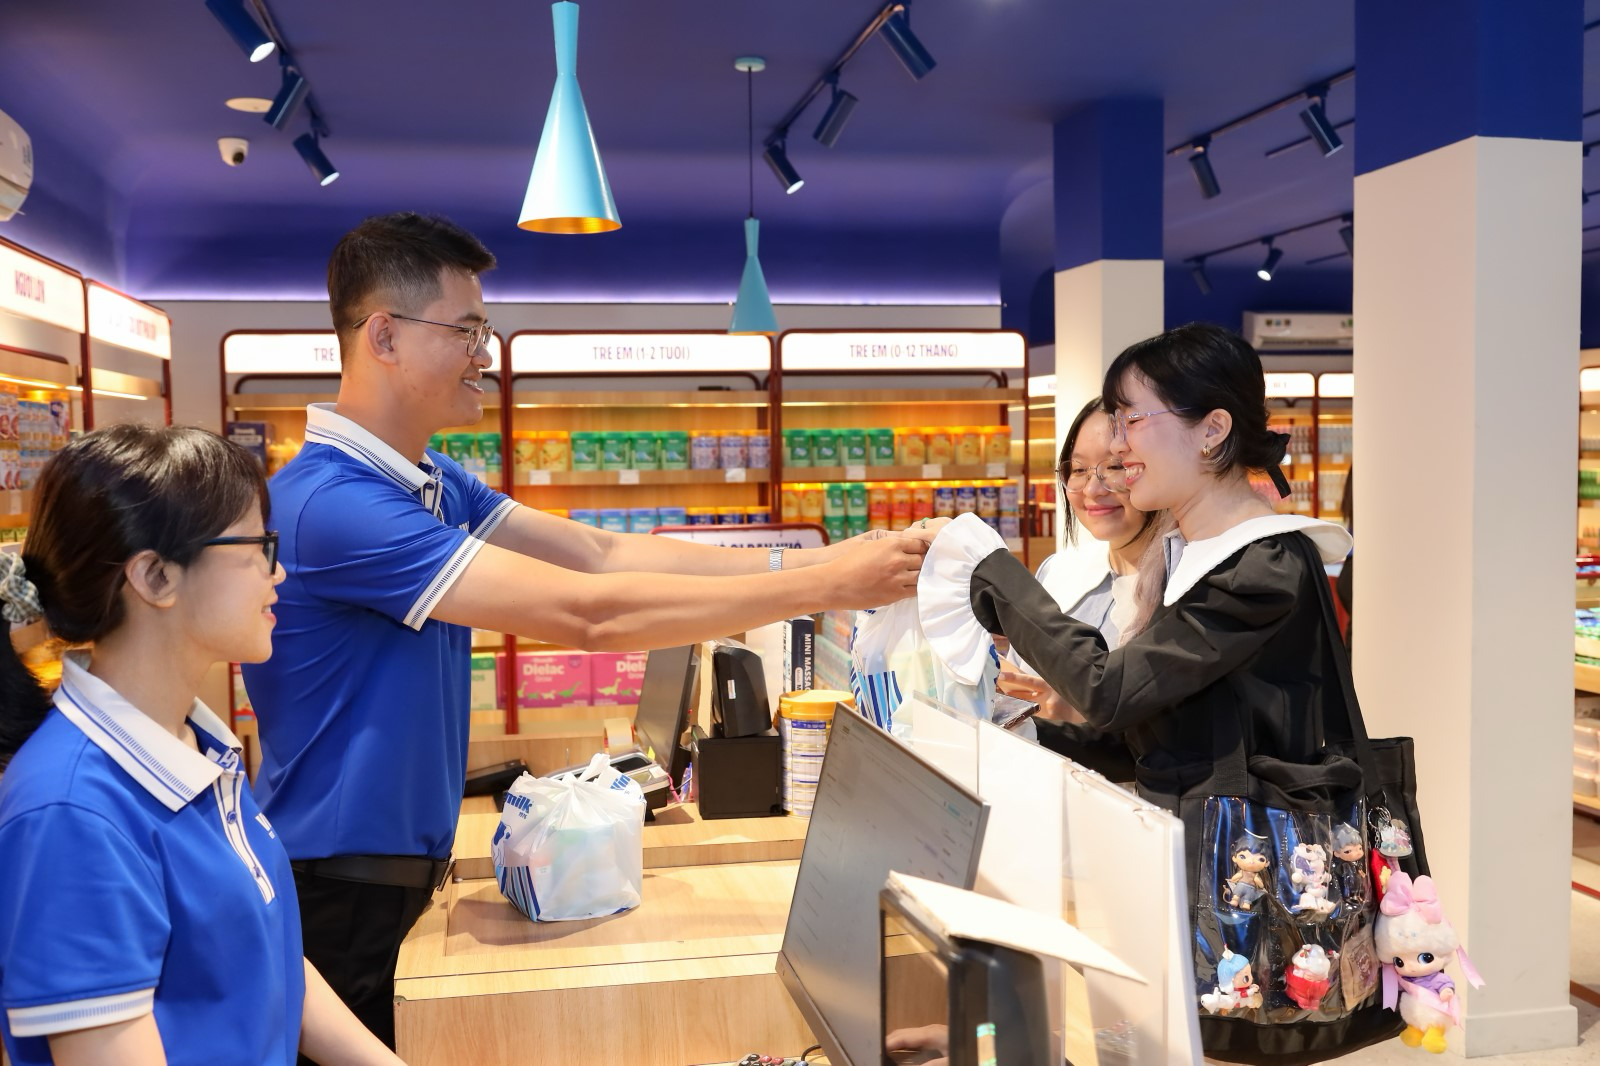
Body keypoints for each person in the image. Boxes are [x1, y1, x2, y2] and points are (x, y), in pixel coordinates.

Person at [242, 211, 925, 1050]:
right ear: (384, 335)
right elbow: (586, 612)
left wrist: (818, 561)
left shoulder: (431, 480)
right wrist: (823, 585)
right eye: (466, 330)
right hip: (343, 896)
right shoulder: (337, 506)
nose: (484, 355)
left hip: (391, 879)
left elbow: (602, 555)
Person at [0, 425, 403, 1066]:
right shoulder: (72, 813)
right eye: (258, 546)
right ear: (155, 576)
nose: (279, 570)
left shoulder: (191, 744)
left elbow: (266, 960)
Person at [909, 322, 1353, 802]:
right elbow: (1155, 748)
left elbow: (1108, 693)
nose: (1119, 446)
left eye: (1132, 421)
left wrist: (988, 566)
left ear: (1212, 429)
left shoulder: (1259, 565)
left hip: (1244, 847)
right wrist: (1007, 732)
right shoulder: (1196, 556)